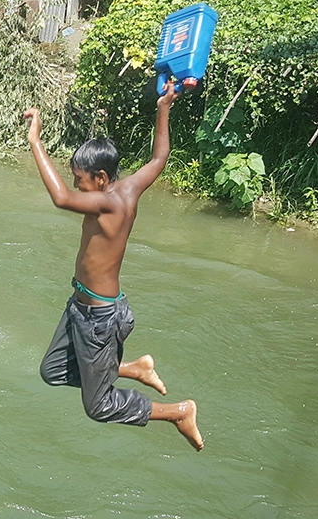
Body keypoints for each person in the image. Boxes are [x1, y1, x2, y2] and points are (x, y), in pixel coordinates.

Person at [25, 81, 204, 451]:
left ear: (102, 178)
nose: (76, 186)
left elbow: (60, 198)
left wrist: (36, 142)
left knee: (99, 405)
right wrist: (164, 107)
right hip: (82, 306)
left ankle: (178, 411)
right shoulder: (129, 187)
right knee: (53, 371)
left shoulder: (108, 203)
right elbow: (159, 159)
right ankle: (135, 368)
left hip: (100, 319)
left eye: (81, 180)